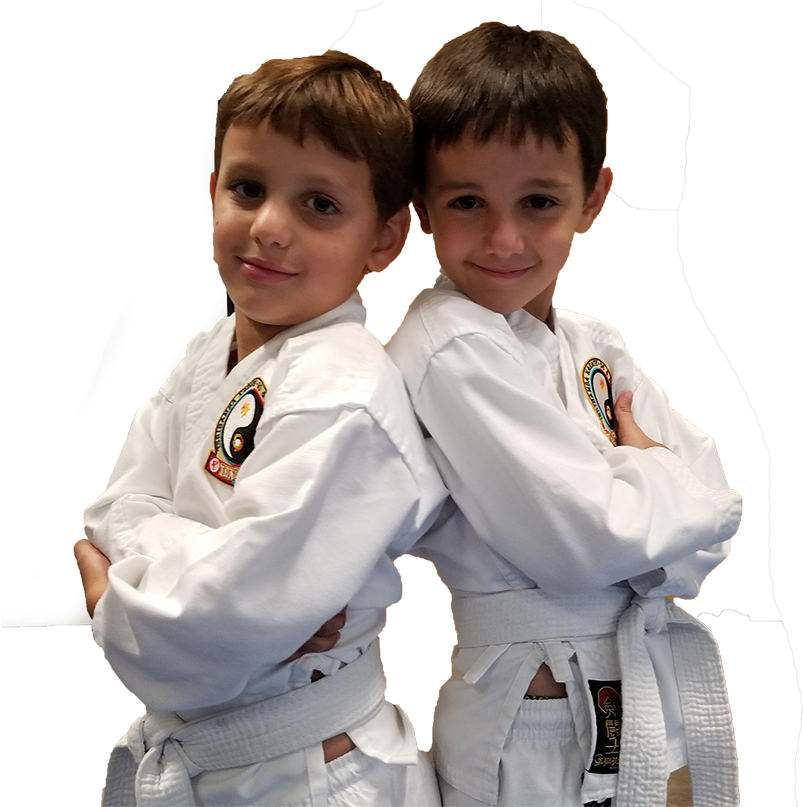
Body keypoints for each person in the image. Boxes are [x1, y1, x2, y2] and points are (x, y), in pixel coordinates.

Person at [77, 50, 447, 806]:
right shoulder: (207, 353)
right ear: (211, 192)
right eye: (248, 188)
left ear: (385, 236)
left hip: (314, 771)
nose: (269, 227)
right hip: (218, 759)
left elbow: (200, 636)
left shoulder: (343, 391)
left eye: (320, 204)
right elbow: (111, 513)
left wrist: (126, 593)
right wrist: (204, 566)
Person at [386, 23, 742, 807]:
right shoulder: (445, 343)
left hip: (636, 683)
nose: (503, 237)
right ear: (420, 206)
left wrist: (645, 525)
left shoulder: (591, 341)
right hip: (530, 712)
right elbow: (582, 542)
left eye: (538, 201)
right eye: (466, 201)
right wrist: (646, 466)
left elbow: (715, 522)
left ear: (592, 199)